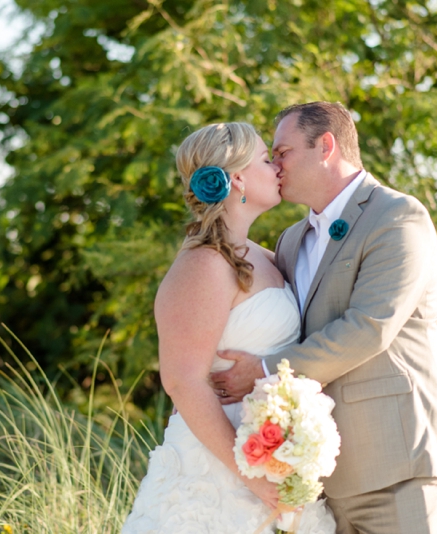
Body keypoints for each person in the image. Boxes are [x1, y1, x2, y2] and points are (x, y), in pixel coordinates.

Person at [211, 102, 437, 534]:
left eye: (282, 152)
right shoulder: (290, 241)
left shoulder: (397, 217)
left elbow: (371, 326)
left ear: (325, 146)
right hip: (317, 476)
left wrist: (265, 371)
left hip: (394, 462)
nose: (276, 165)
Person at [121, 122, 325, 533]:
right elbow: (183, 381)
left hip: (274, 457)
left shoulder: (268, 256)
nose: (278, 169)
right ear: (238, 179)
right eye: (268, 160)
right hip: (219, 471)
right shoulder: (203, 265)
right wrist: (248, 474)